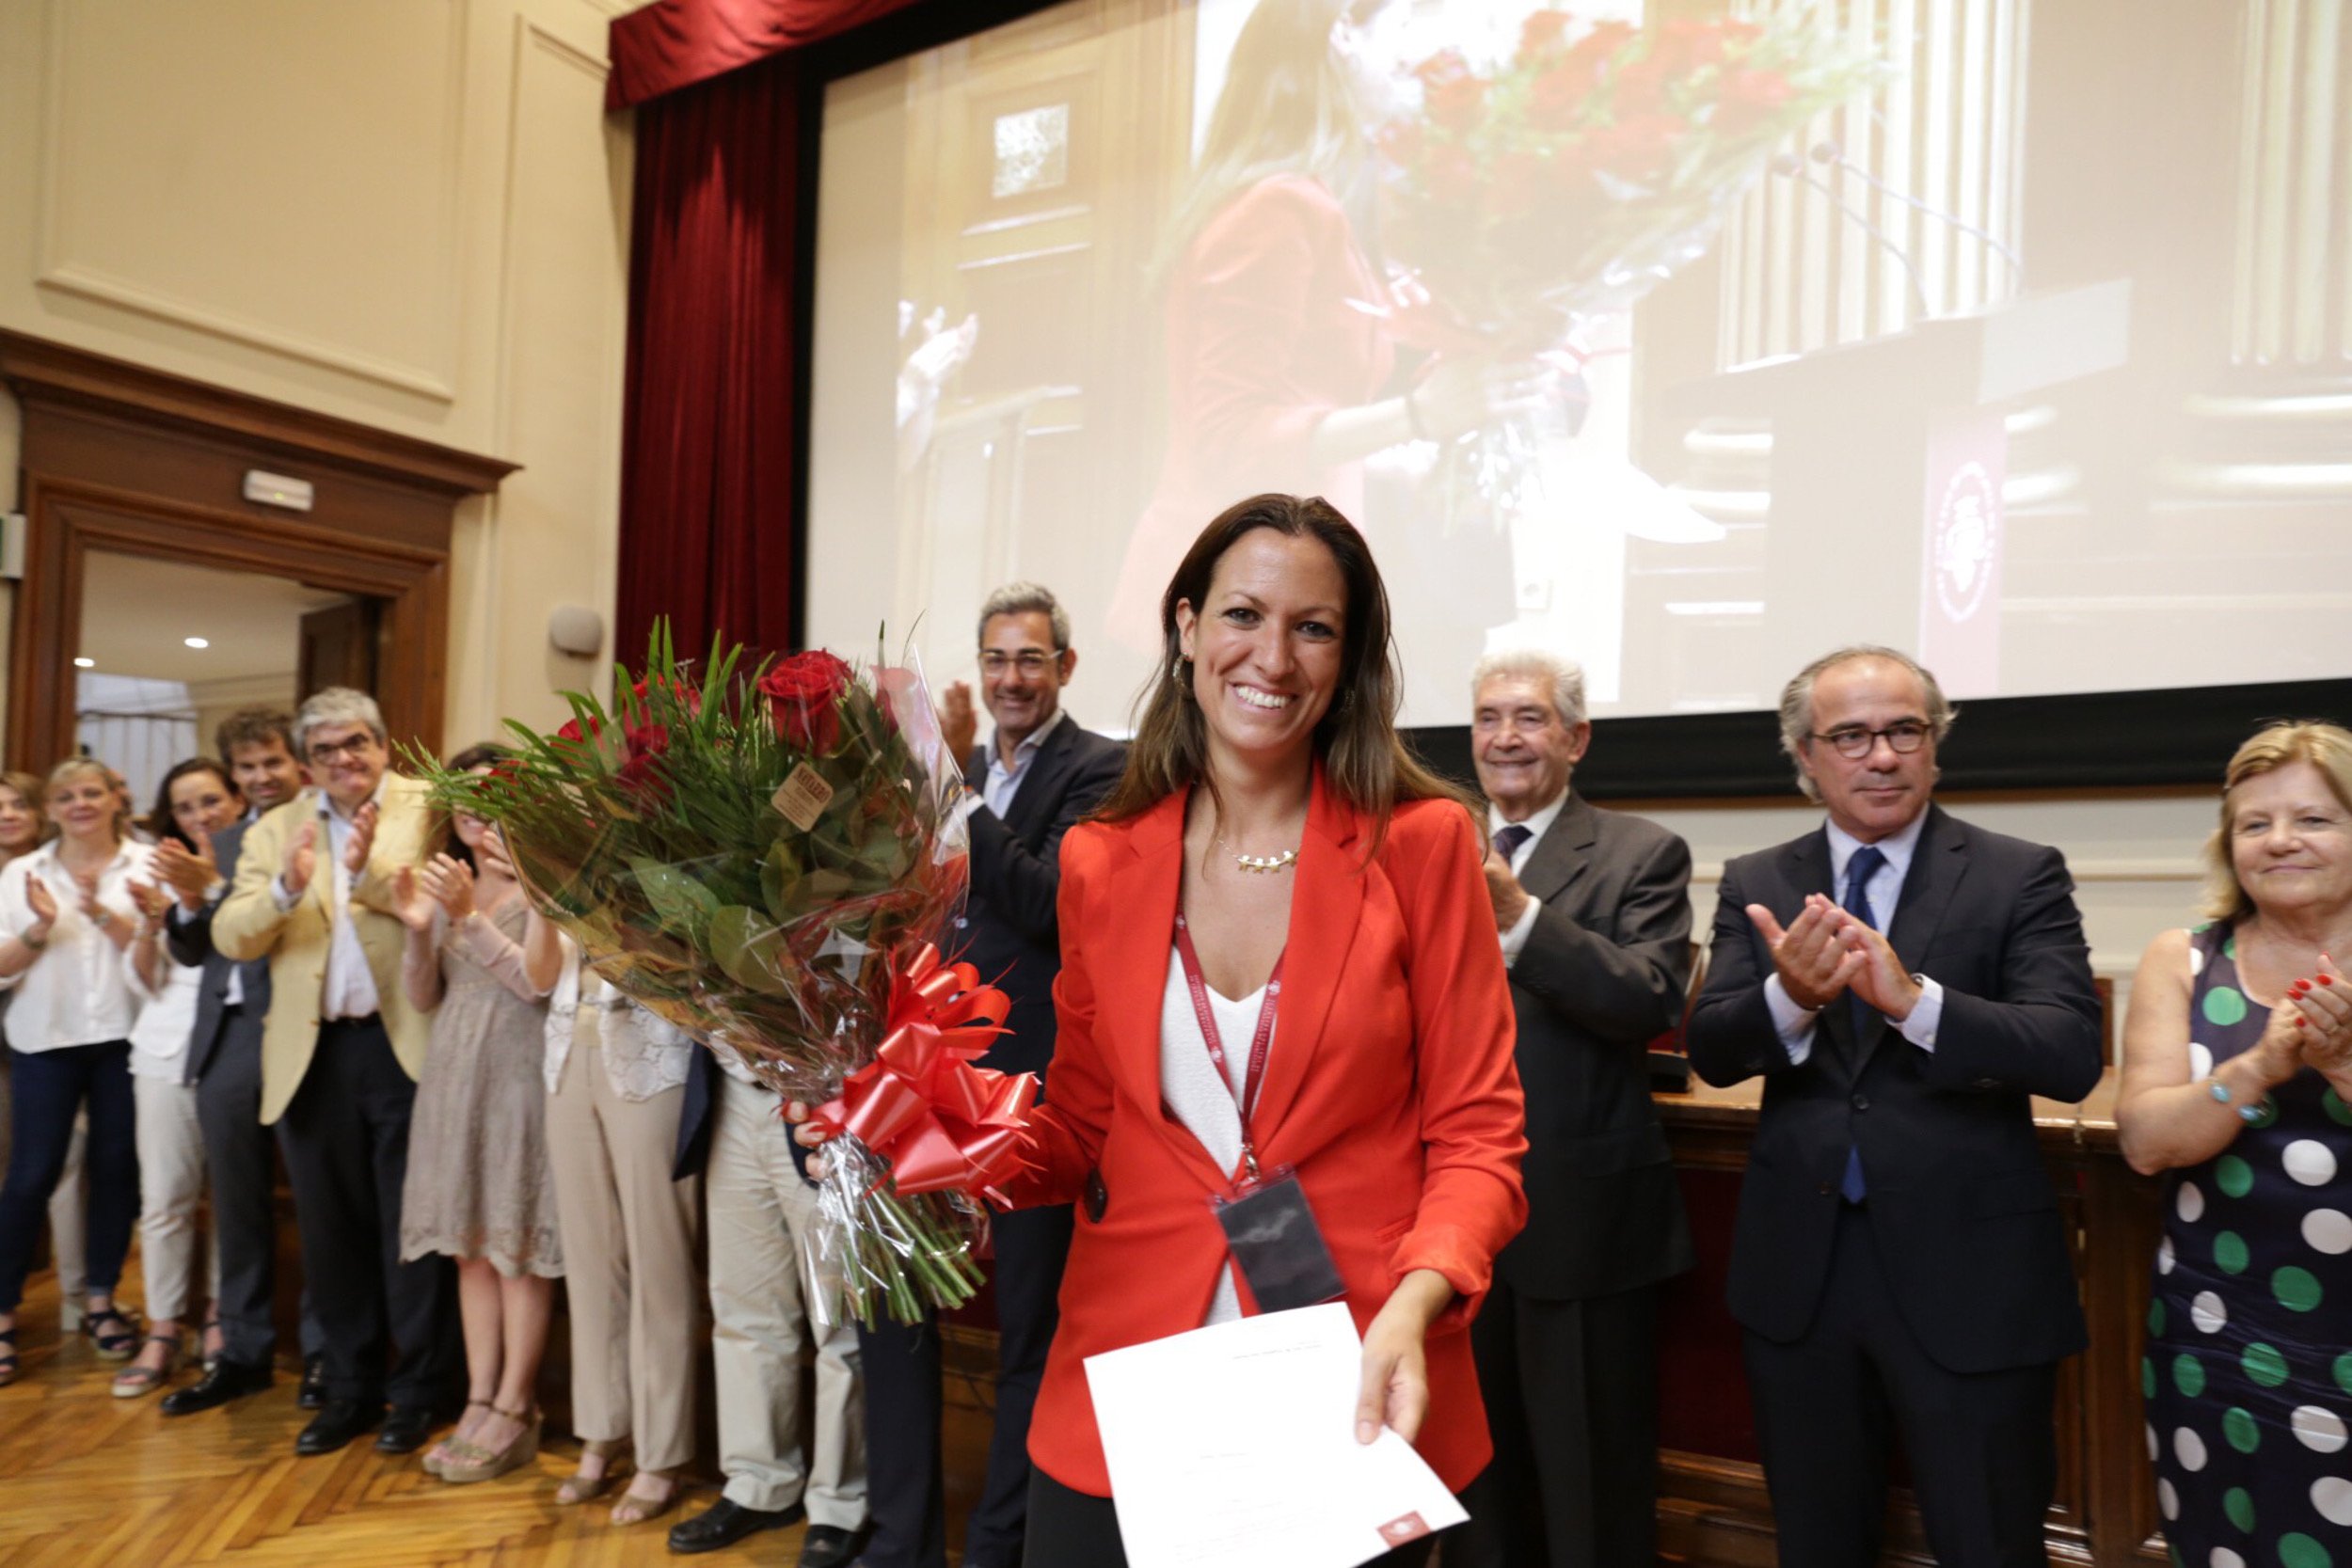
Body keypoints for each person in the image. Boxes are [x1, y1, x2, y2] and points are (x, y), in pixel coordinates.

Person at [803, 493, 1528, 1566]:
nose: (1271, 657)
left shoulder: (1421, 847)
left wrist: (1416, 1298)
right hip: (1130, 1373)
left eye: (1313, 627)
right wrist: (917, 1125)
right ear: (1186, 627)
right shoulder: (1102, 858)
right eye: (1242, 614)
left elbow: (1478, 1136)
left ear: (1349, 656)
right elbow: (1079, 1130)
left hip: (1351, 1371)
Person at [1685, 644, 2105, 1568]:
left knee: (1987, 1540)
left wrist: (1914, 1002)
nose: (1881, 755)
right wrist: (1791, 996)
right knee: (1817, 1540)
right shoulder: (1757, 879)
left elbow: (2070, 1052)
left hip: (1972, 1271)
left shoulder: (2017, 871)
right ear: (1805, 755)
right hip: (1801, 1274)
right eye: (1851, 735)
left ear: (1934, 744)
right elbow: (1713, 1051)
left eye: (1904, 730)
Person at [1109, 0, 1549, 642]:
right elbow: (1231, 435)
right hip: (1233, 608)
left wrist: (1394, 455)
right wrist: (1420, 414)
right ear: (1342, 40)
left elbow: (1299, 411)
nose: (1408, 66)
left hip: (1270, 597)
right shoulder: (1281, 207)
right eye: (1395, 41)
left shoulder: (1297, 200)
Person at [847, 582, 1125, 1568]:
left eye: (1032, 659)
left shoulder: (1107, 771)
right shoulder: (940, 773)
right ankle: (899, 1541)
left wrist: (957, 788)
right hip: (916, 1085)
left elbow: (1052, 902)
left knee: (1027, 1332)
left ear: (1066, 668)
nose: (1013, 677)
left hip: (1033, 1097)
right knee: (894, 1312)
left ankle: (999, 1547)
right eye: (998, 659)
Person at [1454, 649, 1693, 1568]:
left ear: (1575, 737)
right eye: (1487, 718)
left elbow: (1646, 996)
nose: (1504, 738)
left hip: (1578, 1224)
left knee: (1589, 1489)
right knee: (1473, 1488)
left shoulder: (1641, 851)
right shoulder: (1429, 841)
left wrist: (1519, 917)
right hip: (1445, 1232)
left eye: (1527, 717)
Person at [2117, 721, 2352, 1564]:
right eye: (2255, 824)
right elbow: (2145, 1142)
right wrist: (2257, 1066)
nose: (2280, 841)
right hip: (2215, 1337)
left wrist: (2345, 1069)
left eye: (2315, 820)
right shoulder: (2184, 958)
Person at [212, 688, 456, 1456]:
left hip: (408, 1045)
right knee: (330, 1233)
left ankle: (420, 1391)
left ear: (384, 744)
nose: (343, 760)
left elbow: (441, 902)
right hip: (312, 1054)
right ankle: (348, 1388)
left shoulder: (430, 804)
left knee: (412, 1232)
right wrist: (287, 886)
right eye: (325, 751)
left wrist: (365, 872)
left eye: (356, 743)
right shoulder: (279, 827)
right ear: (308, 763)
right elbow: (231, 934)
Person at [392, 745, 562, 1482]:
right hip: (454, 1075)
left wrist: (468, 917)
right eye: (462, 796)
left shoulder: (540, 883)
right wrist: (415, 925)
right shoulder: (449, 884)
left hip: (520, 1077)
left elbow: (535, 985)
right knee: (469, 1247)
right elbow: (424, 996)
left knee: (516, 1247)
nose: (474, 809)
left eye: (492, 796)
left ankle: (518, 1406)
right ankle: (478, 1396)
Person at [154, 705, 329, 1416]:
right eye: (248, 767)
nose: (261, 777)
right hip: (224, 1038)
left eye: (272, 763)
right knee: (237, 1206)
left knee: (319, 1206)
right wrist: (194, 895)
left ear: (299, 765)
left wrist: (221, 890)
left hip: (299, 1031)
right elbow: (193, 946)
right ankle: (243, 1351)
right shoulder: (221, 841)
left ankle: (326, 1355)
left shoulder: (323, 829)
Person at [666, 1042, 867, 1560]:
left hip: (817, 1099)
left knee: (839, 1321)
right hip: (731, 1090)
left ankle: (840, 1505)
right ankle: (760, 1484)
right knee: (743, 1309)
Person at [542, 935, 708, 1528]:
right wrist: (545, 907)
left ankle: (661, 1455)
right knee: (590, 1262)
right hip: (567, 1048)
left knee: (658, 1259)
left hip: (652, 1054)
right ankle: (600, 1432)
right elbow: (540, 974)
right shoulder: (551, 852)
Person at [0, 758, 155, 1386]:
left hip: (125, 1037)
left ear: (117, 798)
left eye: (92, 792)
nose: (80, 803)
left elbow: (160, 961)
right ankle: (4, 1313)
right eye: (67, 795)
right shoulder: (20, 871)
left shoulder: (145, 863)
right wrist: (40, 927)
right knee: (31, 1173)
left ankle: (99, 1300)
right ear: (52, 808)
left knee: (117, 1169)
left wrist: (100, 913)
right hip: (45, 1037)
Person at [111, 759, 245, 1397]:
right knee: (165, 1196)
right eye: (186, 807)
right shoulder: (150, 866)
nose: (200, 816)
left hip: (240, 1047)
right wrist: (149, 921)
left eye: (211, 801)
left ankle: (222, 1319)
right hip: (165, 1047)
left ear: (237, 799)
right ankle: (165, 1325)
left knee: (232, 1199)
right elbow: (143, 979)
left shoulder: (258, 858)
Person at [0, 772, 86, 1335]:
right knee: (22, 1172)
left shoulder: (68, 869)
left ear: (41, 812)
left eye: (18, 805)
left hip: (53, 1038)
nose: (8, 815)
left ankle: (80, 1297)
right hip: (14, 1039)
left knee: (67, 1166)